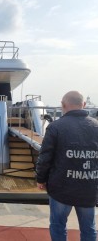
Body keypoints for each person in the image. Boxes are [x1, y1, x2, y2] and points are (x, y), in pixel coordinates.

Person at [36, 91, 98, 241]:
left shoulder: (55, 127)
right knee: (89, 229)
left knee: (58, 226)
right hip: (89, 188)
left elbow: (45, 158)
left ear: (63, 105)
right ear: (83, 105)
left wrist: (41, 179)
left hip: (61, 189)